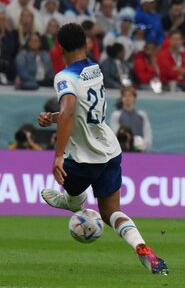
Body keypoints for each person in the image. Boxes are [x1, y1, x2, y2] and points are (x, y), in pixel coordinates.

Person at [37, 23, 168, 275]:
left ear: (60, 47)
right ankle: (141, 247)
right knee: (111, 212)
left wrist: (58, 155)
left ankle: (71, 202)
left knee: (74, 196)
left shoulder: (64, 77)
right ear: (86, 44)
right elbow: (80, 110)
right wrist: (55, 116)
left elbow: (69, 111)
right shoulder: (94, 69)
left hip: (85, 157)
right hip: (110, 151)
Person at [111, 86, 152, 152]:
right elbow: (115, 134)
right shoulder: (116, 115)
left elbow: (148, 136)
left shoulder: (142, 115)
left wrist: (142, 146)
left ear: (134, 98)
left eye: (130, 96)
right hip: (123, 152)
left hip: (139, 152)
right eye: (125, 96)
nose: (127, 98)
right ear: (122, 98)